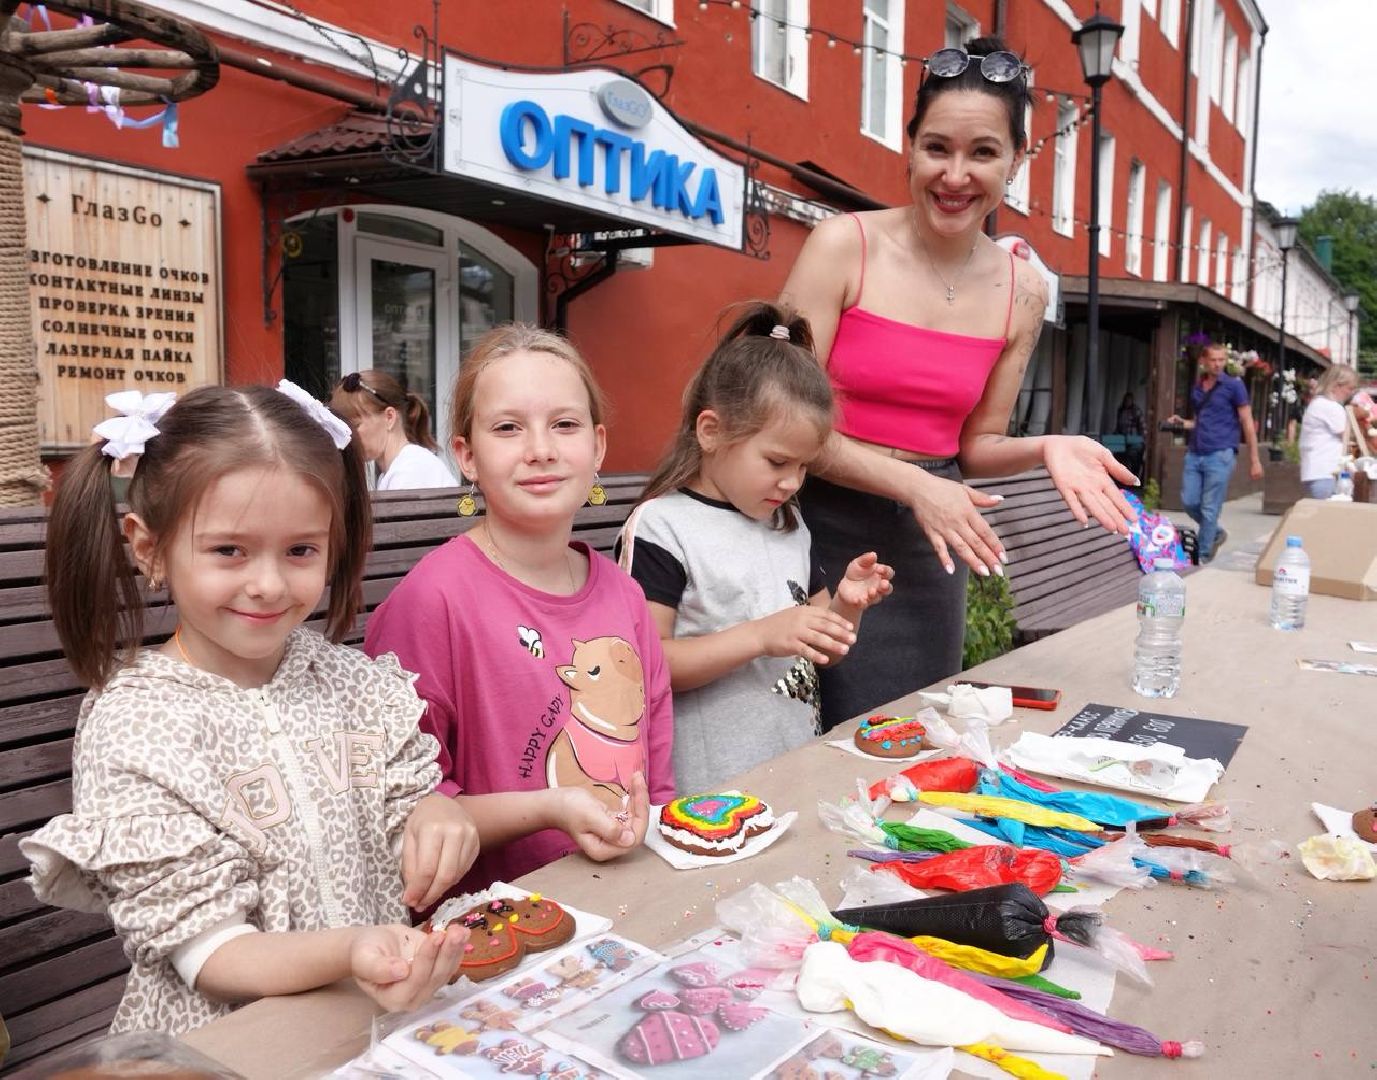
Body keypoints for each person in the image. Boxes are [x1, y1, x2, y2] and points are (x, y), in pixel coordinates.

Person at [22, 384, 481, 1036]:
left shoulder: (348, 682)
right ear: (149, 547)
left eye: (300, 550)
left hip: (373, 1020)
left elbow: (406, 796)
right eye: (228, 550)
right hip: (227, 1049)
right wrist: (350, 950)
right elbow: (212, 952)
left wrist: (434, 812)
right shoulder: (139, 726)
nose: (267, 584)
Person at [780, 37, 1136, 729]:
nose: (955, 174)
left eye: (982, 153)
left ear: (1015, 160)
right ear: (907, 146)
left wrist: (1046, 447)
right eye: (936, 148)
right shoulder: (841, 246)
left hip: (930, 543)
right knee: (795, 733)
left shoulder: (1022, 290)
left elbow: (977, 446)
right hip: (809, 523)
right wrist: (917, 486)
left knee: (909, 737)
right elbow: (782, 423)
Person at [365, 324, 673, 895]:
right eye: (508, 428)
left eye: (565, 424)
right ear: (467, 455)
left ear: (598, 447)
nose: (540, 449)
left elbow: (653, 770)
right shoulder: (431, 603)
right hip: (492, 934)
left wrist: (645, 822)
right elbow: (405, 805)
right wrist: (551, 807)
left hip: (625, 901)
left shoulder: (624, 595)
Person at [618, 303, 894, 795]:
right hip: (706, 792)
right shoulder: (663, 528)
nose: (791, 482)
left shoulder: (788, 526)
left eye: (804, 466)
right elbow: (646, 667)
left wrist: (846, 609)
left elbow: (821, 653)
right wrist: (762, 636)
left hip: (793, 771)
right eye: (776, 461)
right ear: (711, 432)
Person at [1167, 340, 1264, 561]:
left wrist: (1255, 459)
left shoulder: (1234, 386)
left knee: (1210, 508)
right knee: (1189, 501)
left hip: (1220, 454)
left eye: (1222, 360)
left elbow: (1247, 423)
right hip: (1195, 452)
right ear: (1204, 361)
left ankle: (1202, 556)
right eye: (1213, 360)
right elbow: (1200, 421)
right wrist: (1183, 423)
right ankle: (1216, 533)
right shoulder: (1198, 388)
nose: (1218, 364)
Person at [331, 369, 458, 489]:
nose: (348, 435)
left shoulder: (410, 471)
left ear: (389, 417)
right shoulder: (401, 468)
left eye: (355, 425)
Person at [1299, 364, 1360, 499]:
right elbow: (1349, 436)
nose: (1351, 393)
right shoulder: (1330, 407)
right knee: (1328, 516)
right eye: (1349, 388)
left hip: (1318, 471)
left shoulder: (1319, 404)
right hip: (1326, 472)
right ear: (1336, 385)